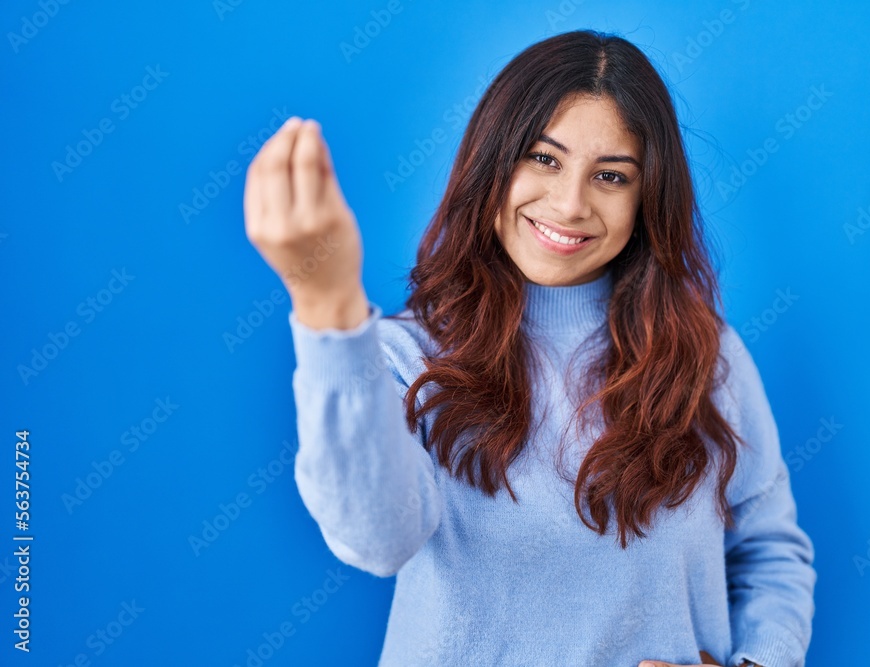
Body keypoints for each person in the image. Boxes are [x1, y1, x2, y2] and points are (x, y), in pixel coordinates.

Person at [243, 29, 815, 667]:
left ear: (646, 198)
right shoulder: (401, 358)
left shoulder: (709, 358)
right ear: (492, 162)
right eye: (544, 159)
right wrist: (328, 307)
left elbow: (769, 553)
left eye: (610, 176)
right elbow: (377, 540)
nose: (569, 205)